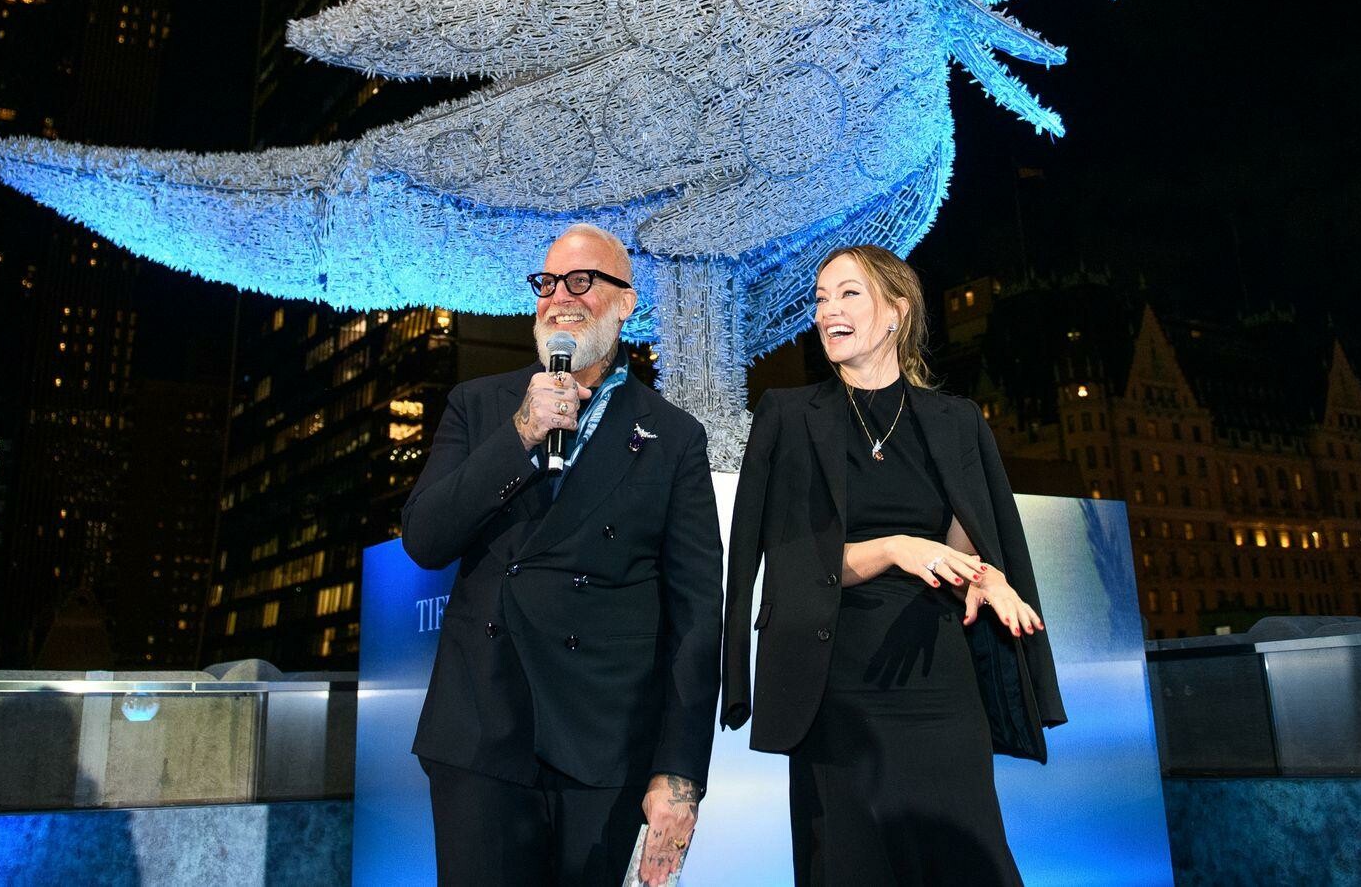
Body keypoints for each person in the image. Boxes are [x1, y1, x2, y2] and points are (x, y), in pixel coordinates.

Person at [723, 244, 1065, 886]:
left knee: (967, 866)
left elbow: (968, 544)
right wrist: (894, 547)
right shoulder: (788, 416)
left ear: (895, 313)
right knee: (849, 865)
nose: (827, 311)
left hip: (941, 683)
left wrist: (985, 576)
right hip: (834, 686)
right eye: (821, 298)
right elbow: (789, 562)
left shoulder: (956, 420)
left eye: (848, 294)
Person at [403, 223, 722, 887]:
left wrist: (679, 773)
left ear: (626, 301)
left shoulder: (673, 437)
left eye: (581, 281)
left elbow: (696, 617)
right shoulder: (480, 405)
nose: (559, 298)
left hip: (604, 747)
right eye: (547, 283)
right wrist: (522, 432)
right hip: (481, 737)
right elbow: (425, 538)